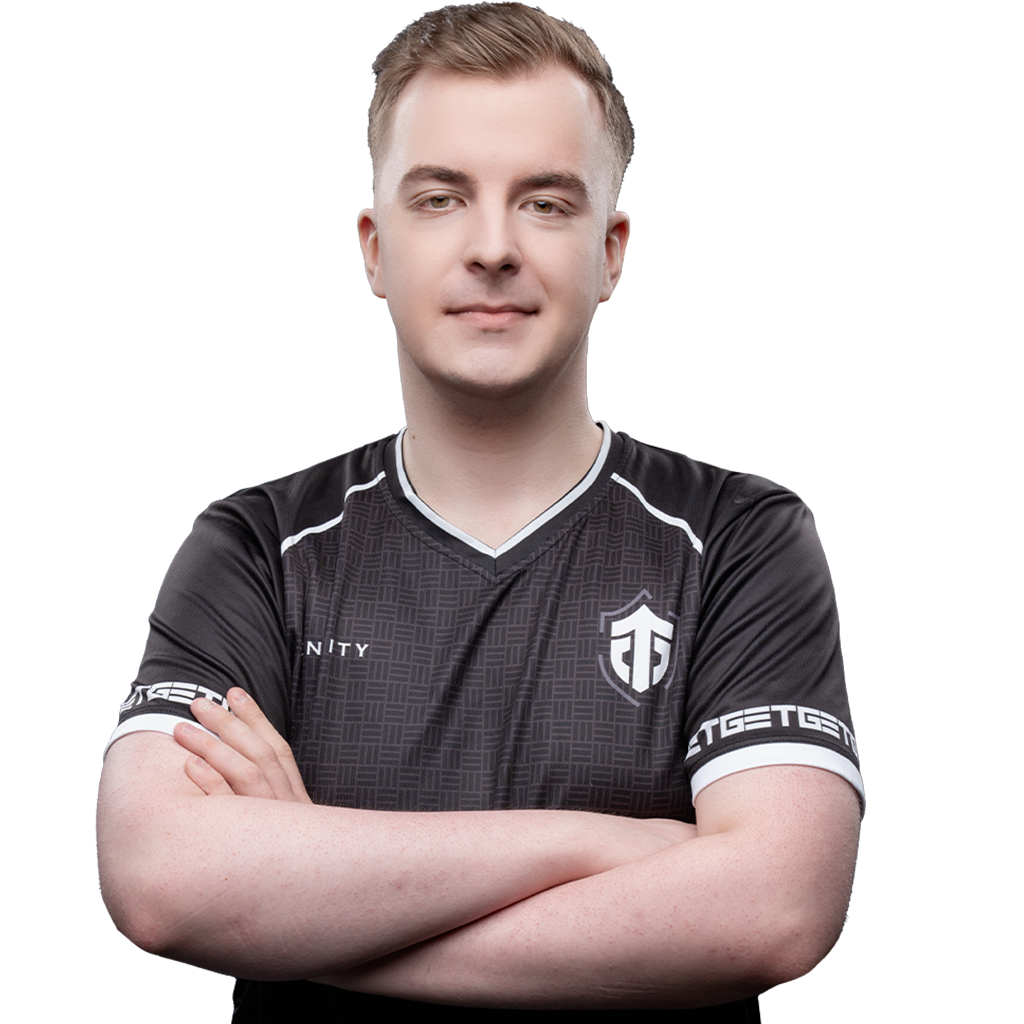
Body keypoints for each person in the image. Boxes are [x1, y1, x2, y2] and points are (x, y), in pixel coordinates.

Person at [97, 5, 861, 1019]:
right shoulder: (257, 551)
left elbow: (771, 910)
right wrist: (606, 844)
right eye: (441, 198)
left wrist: (306, 892)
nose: (492, 247)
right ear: (375, 250)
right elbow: (160, 879)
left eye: (544, 203)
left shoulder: (739, 541)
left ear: (611, 253)